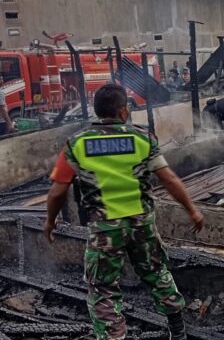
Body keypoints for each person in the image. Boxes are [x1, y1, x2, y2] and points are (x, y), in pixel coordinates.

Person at [43, 84, 204, 340]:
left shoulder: (77, 143)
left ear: (97, 111)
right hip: (142, 224)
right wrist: (192, 210)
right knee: (156, 272)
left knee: (103, 287)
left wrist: (50, 221)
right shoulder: (142, 138)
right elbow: (169, 179)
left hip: (105, 229)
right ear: (123, 111)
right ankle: (178, 331)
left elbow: (57, 192)